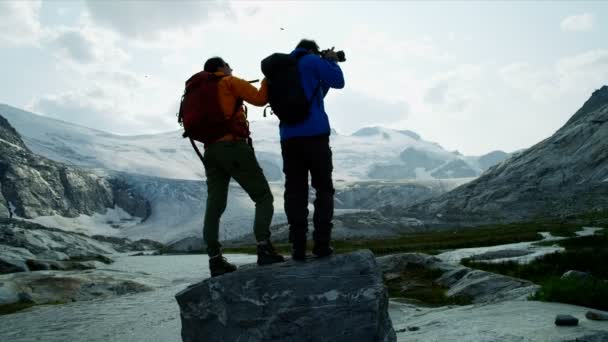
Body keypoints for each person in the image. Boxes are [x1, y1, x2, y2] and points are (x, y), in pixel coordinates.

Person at [198, 57, 284, 276]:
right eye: (228, 66)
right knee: (263, 197)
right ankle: (264, 249)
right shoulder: (229, 82)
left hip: (211, 151)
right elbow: (260, 98)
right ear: (220, 68)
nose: (231, 69)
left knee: (214, 206)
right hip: (233, 147)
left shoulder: (198, 91)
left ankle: (215, 260)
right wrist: (266, 80)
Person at [280, 40, 345, 260]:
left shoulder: (280, 67)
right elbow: (338, 82)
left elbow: (315, 94)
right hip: (315, 135)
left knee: (295, 192)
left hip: (289, 138)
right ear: (313, 50)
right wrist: (332, 62)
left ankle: (298, 248)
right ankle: (321, 245)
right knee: (323, 189)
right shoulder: (311, 60)